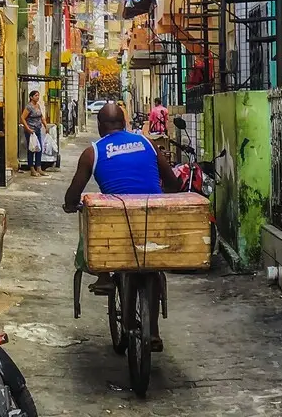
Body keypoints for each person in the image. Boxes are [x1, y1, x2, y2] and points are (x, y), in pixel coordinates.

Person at [63, 102, 181, 348]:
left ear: (99, 126)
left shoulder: (92, 153)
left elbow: (73, 195)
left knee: (94, 218)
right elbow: (172, 181)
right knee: (152, 266)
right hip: (152, 217)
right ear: (125, 123)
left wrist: (71, 205)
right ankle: (154, 332)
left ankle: (104, 275)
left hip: (119, 220)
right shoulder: (147, 143)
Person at [21, 90, 46, 176]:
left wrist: (45, 126)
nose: (37, 97)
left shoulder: (37, 105)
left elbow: (41, 117)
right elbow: (22, 118)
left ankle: (39, 167)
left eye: (38, 95)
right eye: (36, 95)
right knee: (31, 149)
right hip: (31, 131)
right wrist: (28, 128)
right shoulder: (29, 107)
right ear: (31, 97)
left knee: (39, 148)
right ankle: (32, 169)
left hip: (38, 129)